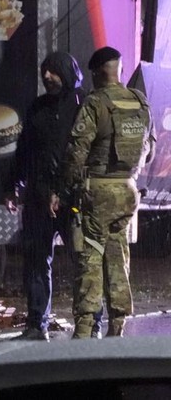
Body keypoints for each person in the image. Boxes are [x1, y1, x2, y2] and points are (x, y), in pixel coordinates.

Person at [55, 46, 155, 338]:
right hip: (128, 190)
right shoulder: (139, 102)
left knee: (91, 256)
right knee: (118, 256)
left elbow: (76, 151)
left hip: (97, 191)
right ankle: (118, 326)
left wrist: (65, 188)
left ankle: (85, 329)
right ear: (119, 70)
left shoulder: (95, 102)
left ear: (99, 72)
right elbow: (148, 151)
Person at [5, 52, 91, 341]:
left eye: (53, 71)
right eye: (44, 71)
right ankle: (36, 324)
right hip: (38, 198)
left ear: (68, 72)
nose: (47, 77)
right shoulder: (38, 107)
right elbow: (24, 150)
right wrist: (12, 185)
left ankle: (91, 323)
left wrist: (66, 189)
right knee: (36, 260)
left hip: (73, 199)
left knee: (83, 261)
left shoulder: (84, 105)